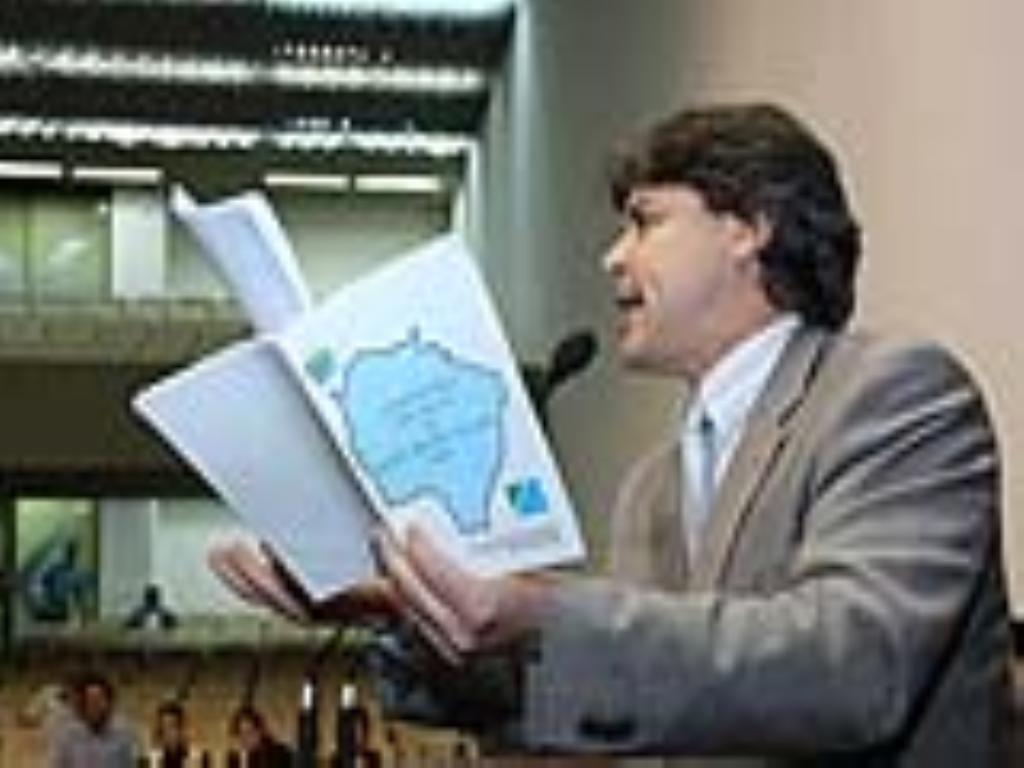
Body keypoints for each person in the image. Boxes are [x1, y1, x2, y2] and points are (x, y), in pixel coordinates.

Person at [209, 103, 1012, 766]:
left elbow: (854, 669)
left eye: (644, 222)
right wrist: (406, 609)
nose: (612, 258)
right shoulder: (652, 488)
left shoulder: (895, 394)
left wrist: (545, 611)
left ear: (748, 228)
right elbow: (604, 695)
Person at [52, 671, 138, 767]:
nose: (96, 707)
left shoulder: (123, 734)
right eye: (91, 701)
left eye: (100, 700)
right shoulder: (68, 736)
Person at [226, 705, 293, 768]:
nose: (244, 738)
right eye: (240, 733)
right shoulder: (235, 758)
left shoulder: (278, 753)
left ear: (260, 731)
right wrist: (243, 759)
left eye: (249, 732)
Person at [149, 700, 204, 768]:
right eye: (165, 727)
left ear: (181, 728)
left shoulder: (192, 753)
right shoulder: (157, 754)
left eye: (173, 726)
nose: (169, 732)